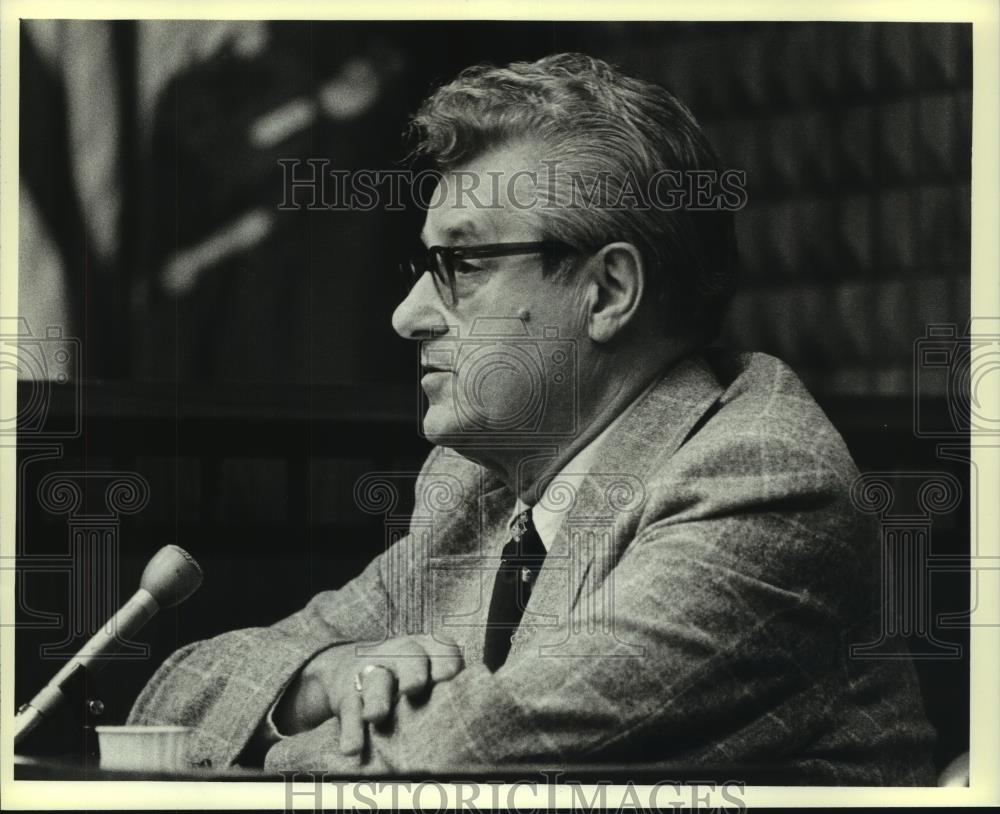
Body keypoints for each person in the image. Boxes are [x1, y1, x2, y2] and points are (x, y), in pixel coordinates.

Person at [128, 53, 936, 784]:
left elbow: (458, 760)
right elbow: (171, 701)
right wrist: (326, 676)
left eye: (465, 266)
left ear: (609, 292)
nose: (408, 317)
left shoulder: (762, 479)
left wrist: (263, 751)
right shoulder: (474, 490)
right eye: (425, 265)